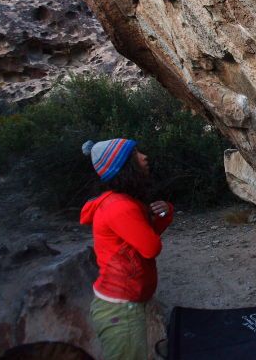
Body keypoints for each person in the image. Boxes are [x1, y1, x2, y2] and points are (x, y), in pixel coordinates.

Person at [79, 138, 173, 360]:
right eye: (136, 155)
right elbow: (150, 247)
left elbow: (142, 239)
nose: (144, 157)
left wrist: (165, 213)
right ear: (123, 167)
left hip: (122, 304)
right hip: (120, 310)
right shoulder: (120, 206)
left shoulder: (121, 201)